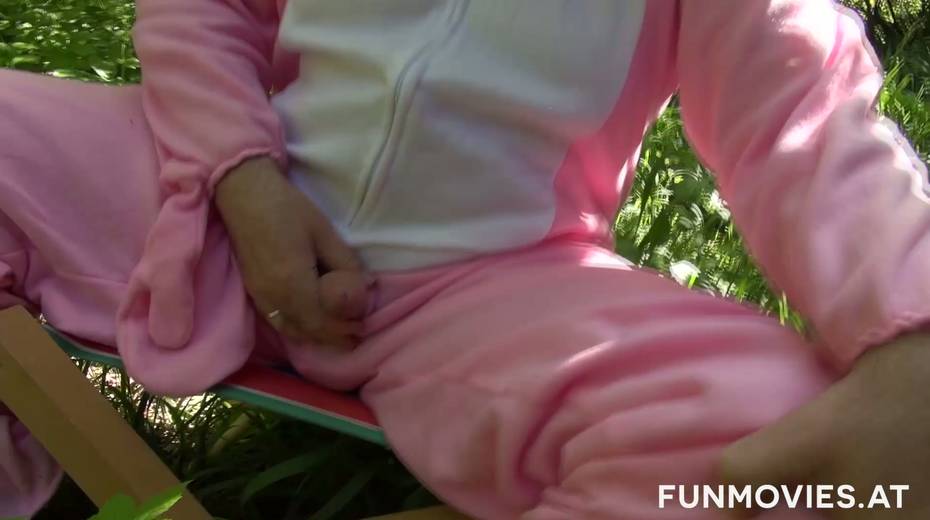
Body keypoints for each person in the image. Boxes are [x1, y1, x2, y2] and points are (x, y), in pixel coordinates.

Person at [2, 0, 929, 518]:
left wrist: (912, 336)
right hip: (202, 194)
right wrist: (240, 177)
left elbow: (805, 119)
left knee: (788, 442)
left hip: (484, 286)